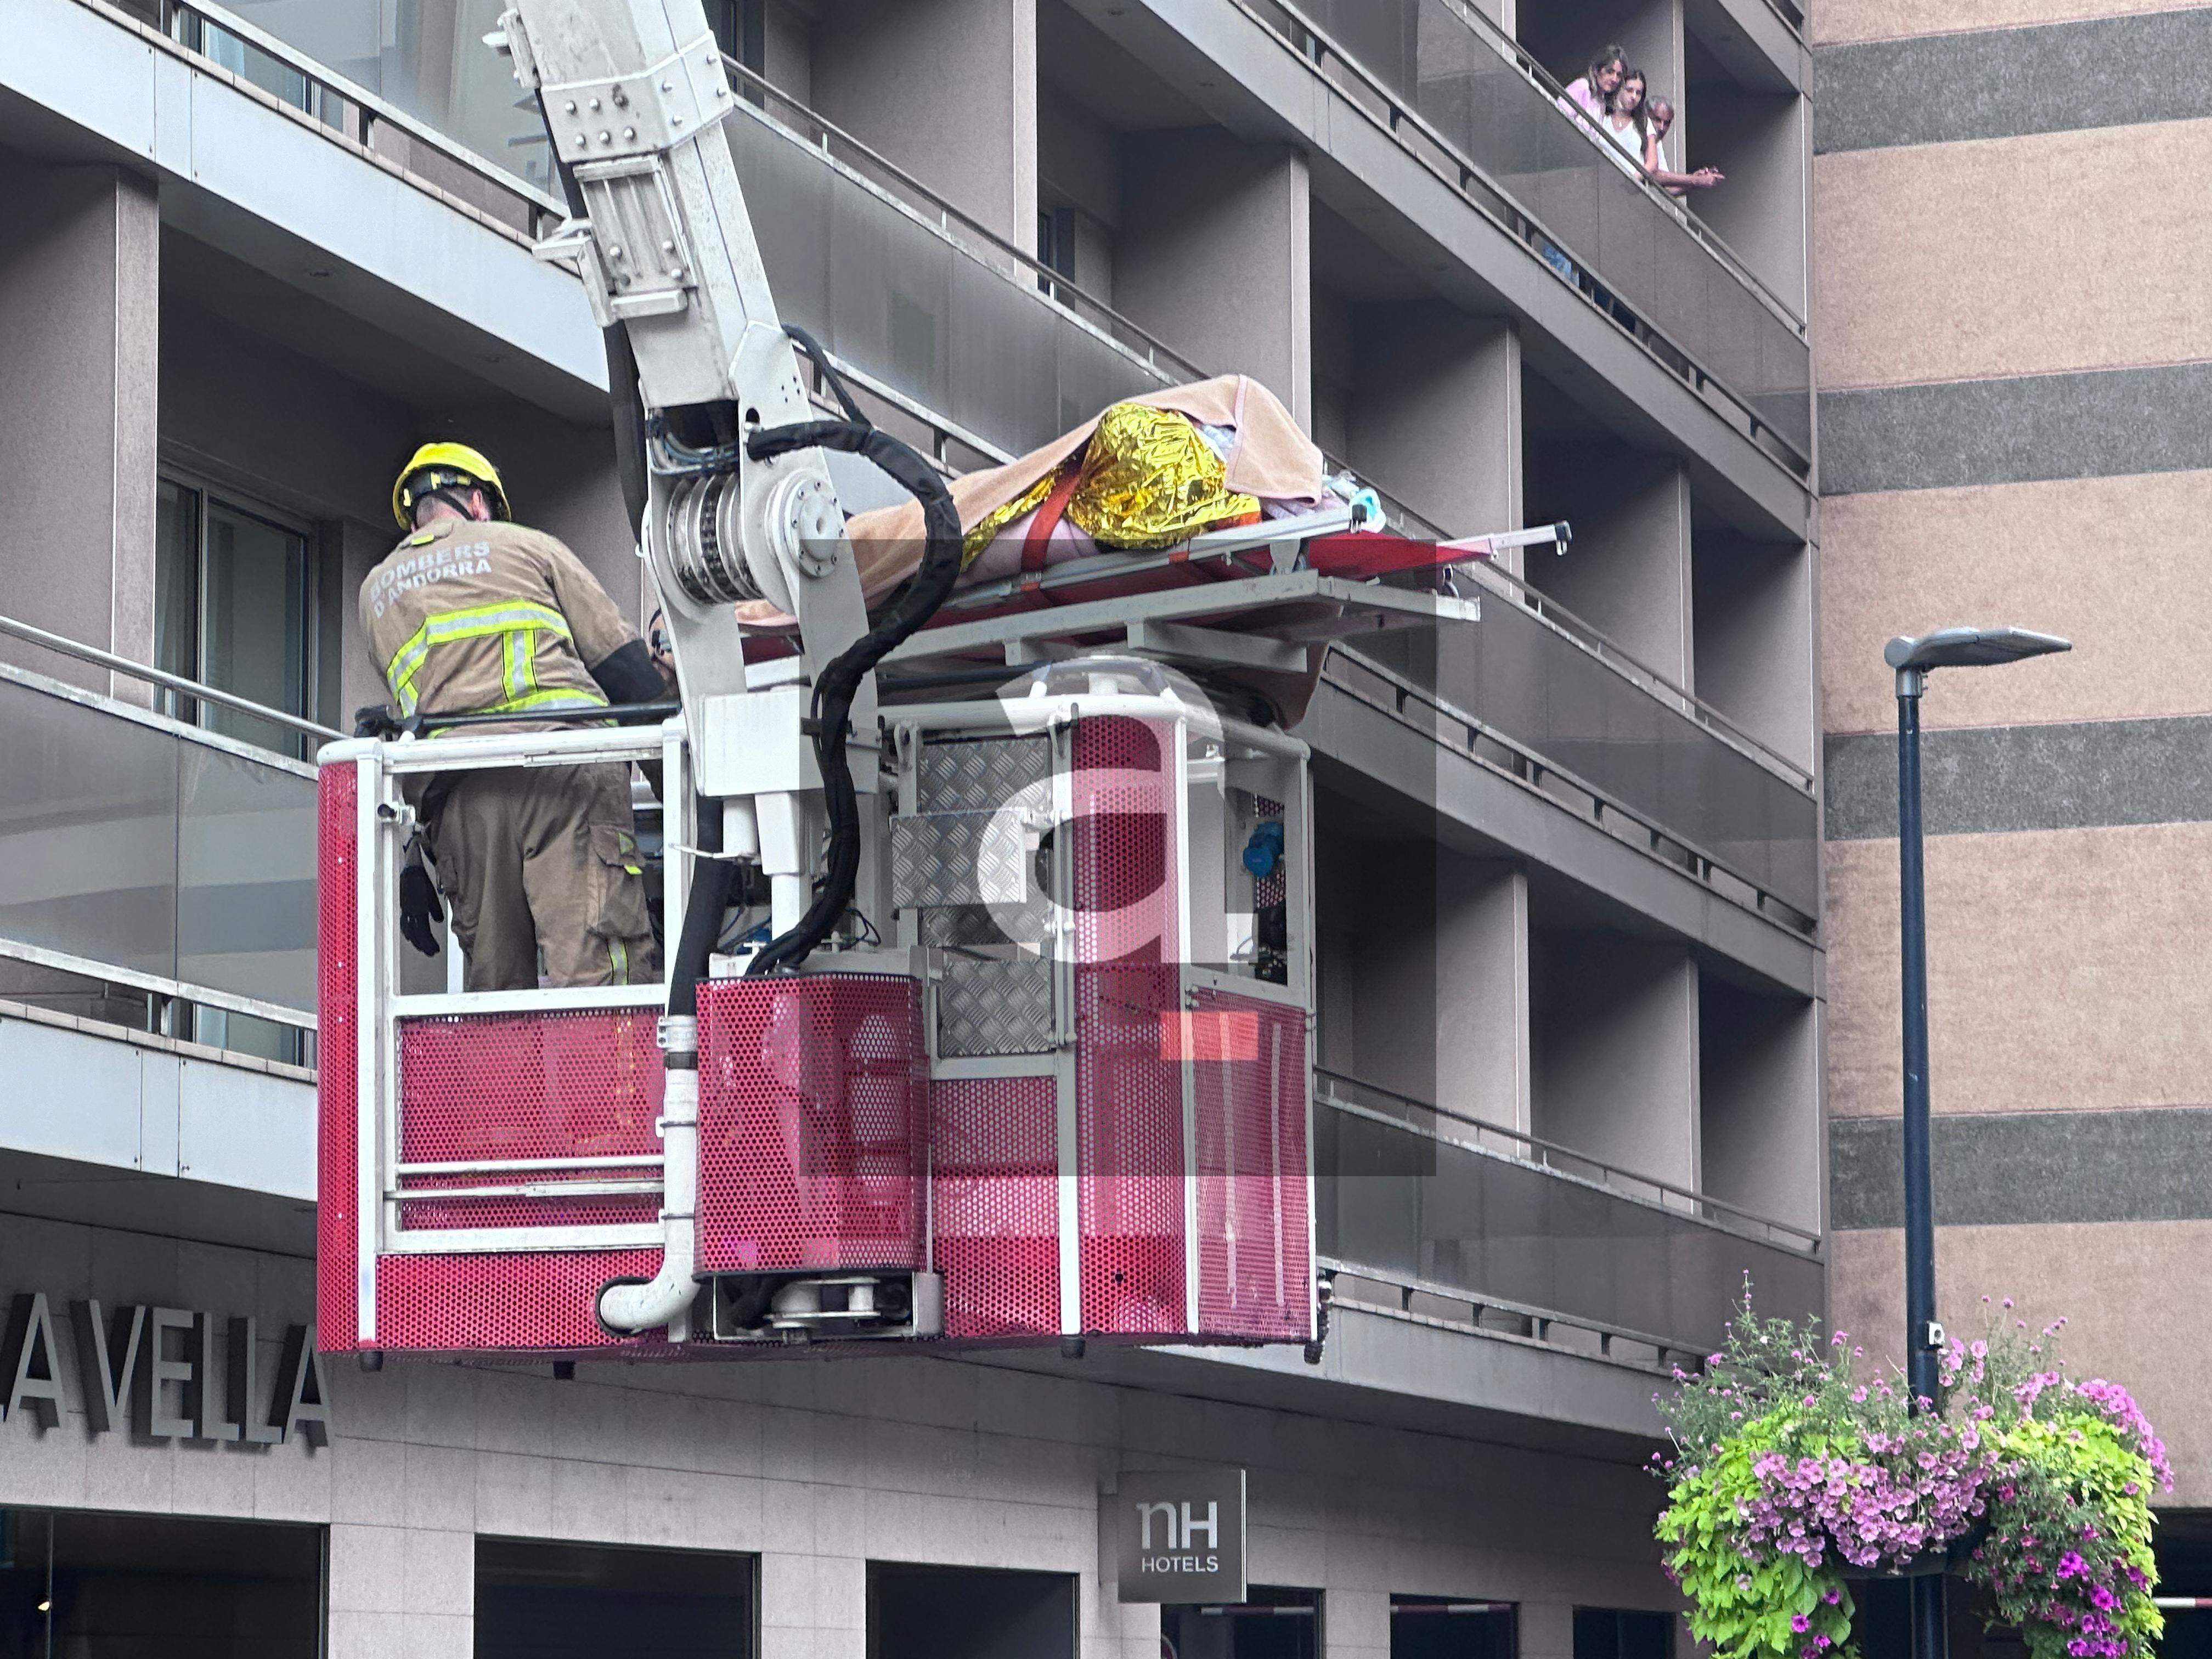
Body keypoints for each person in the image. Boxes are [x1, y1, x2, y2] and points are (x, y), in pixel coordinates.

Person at [360, 442, 671, 991]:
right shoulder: (530, 548)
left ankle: (499, 1081)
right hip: (567, 777)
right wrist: (683, 791)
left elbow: (422, 708)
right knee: (598, 973)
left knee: (496, 993)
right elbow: (627, 674)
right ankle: (609, 1081)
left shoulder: (377, 592)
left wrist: (417, 850)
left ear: (415, 512)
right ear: (478, 501)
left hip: (461, 801)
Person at [1644, 98, 1724, 196]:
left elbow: (1668, 189)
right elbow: (1653, 174)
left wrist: (1698, 181)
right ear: (1646, 117)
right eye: (1657, 120)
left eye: (1667, 123)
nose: (1662, 128)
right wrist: (1695, 180)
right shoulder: (1637, 134)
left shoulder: (1657, 143)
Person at [1559, 43, 1626, 125]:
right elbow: (1559, 117)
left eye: (1619, 75)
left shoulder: (1603, 104)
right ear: (1596, 70)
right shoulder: (1582, 86)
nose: (1614, 79)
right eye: (1609, 72)